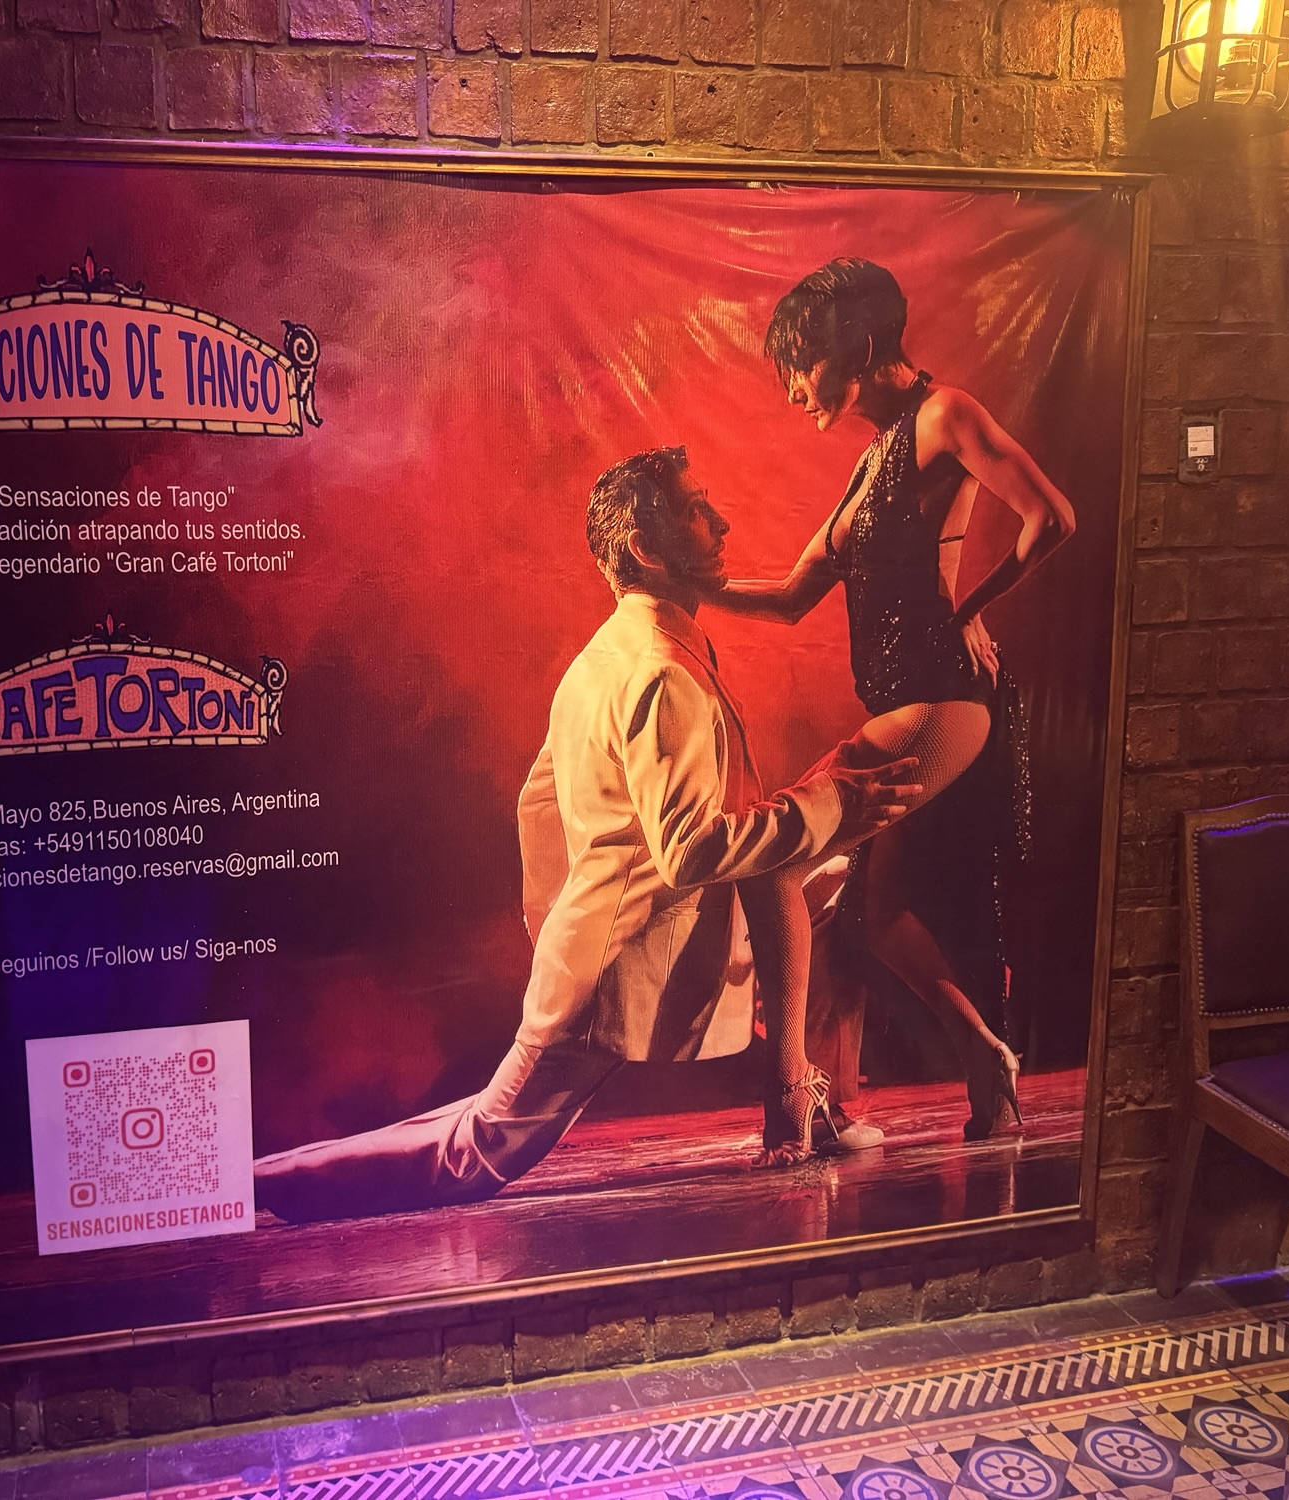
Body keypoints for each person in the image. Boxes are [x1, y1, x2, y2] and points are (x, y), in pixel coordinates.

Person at [252, 447, 921, 1223]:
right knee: (477, 1151)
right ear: (645, 549)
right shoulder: (659, 671)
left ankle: (807, 1098)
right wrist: (832, 803)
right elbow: (690, 851)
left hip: (600, 948)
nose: (722, 524)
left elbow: (537, 805)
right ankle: (261, 1184)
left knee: (483, 1130)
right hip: (612, 968)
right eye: (696, 511)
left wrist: (559, 925)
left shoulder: (608, 657)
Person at [712, 258, 1076, 1144]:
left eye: (801, 364)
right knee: (876, 919)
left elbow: (1052, 519)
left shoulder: (944, 414)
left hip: (941, 700)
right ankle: (986, 1066)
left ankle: (797, 1103)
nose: (794, 390)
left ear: (861, 345)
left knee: (779, 856)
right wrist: (683, 585)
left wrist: (971, 608)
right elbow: (791, 596)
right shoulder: (871, 459)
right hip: (907, 704)